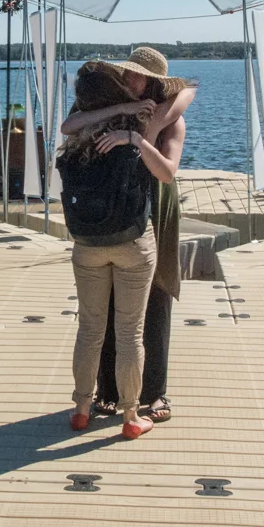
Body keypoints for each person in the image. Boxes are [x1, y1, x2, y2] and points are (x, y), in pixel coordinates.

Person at [58, 60, 165, 439]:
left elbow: (66, 125)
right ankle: (131, 416)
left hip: (86, 242)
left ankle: (82, 409)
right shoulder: (134, 124)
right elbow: (165, 170)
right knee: (129, 333)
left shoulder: (79, 128)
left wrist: (117, 106)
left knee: (89, 330)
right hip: (132, 241)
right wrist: (130, 112)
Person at [89, 49, 194, 424]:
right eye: (128, 75)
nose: (132, 82)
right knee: (111, 297)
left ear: (153, 83)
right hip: (118, 206)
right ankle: (108, 391)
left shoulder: (169, 121)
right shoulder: (113, 105)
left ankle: (155, 393)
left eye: (140, 77)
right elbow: (73, 126)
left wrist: (134, 138)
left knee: (157, 296)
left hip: (157, 206)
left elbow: (166, 171)